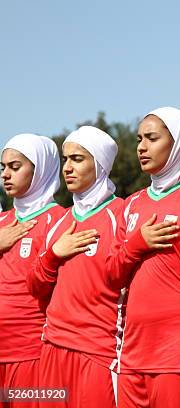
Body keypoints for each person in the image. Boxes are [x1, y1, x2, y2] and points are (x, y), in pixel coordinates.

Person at [110, 107, 180, 408]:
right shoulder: (132, 205)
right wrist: (138, 243)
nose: (141, 147)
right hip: (132, 351)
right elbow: (112, 275)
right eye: (139, 138)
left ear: (177, 142)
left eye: (152, 138)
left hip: (178, 352)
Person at [29, 126, 127, 407]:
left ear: (99, 164)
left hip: (96, 352)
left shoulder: (120, 215)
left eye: (78, 159)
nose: (68, 168)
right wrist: (54, 254)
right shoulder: (59, 222)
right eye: (65, 159)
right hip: (53, 348)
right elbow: (35, 286)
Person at [0, 134, 64, 407]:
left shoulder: (59, 219)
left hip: (32, 353)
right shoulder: (2, 220)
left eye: (15, 167)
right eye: (2, 167)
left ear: (39, 170)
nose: (6, 174)